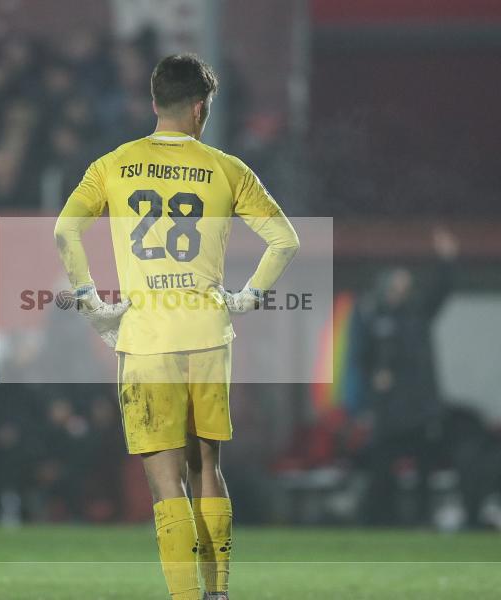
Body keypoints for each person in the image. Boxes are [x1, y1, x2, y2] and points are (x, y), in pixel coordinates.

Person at [53, 54, 299, 600]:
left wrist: (92, 299)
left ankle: (185, 598)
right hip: (209, 333)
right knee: (206, 464)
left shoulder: (114, 164)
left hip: (147, 339)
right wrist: (250, 296)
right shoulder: (228, 169)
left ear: (153, 103)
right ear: (200, 107)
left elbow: (65, 233)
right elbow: (285, 240)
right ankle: (219, 592)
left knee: (166, 484)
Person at [354, 226, 458, 525]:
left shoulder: (418, 314)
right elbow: (362, 359)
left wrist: (447, 260)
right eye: (395, 285)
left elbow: (442, 291)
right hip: (390, 410)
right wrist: (375, 377)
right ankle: (382, 520)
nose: (400, 290)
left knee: (425, 469)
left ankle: (422, 520)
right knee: (383, 467)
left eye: (405, 285)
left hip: (421, 407)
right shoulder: (374, 317)